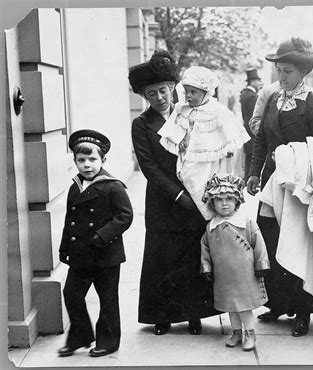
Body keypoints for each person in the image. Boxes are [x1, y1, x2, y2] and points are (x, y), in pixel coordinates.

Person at [246, 37, 313, 337]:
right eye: (278, 71)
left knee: (298, 249)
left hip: (300, 190)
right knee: (269, 242)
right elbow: (262, 139)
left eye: (287, 72)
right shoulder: (274, 99)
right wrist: (254, 173)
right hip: (273, 186)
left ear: (304, 71)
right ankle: (277, 302)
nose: (281, 77)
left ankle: (302, 311)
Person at [128, 50, 218, 336]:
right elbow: (149, 167)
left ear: (173, 89)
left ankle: (195, 315)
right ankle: (162, 317)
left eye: (163, 91)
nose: (159, 98)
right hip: (163, 200)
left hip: (195, 196)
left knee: (192, 257)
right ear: (144, 96)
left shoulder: (191, 115)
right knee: (162, 259)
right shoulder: (142, 125)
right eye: (151, 93)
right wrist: (178, 195)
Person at [58, 129, 133, 358]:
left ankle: (108, 341)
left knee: (107, 299)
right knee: (71, 293)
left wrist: (102, 235)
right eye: (81, 160)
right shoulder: (75, 187)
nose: (87, 165)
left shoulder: (113, 186)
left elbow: (125, 216)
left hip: (105, 254)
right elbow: (69, 221)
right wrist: (64, 248)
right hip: (80, 254)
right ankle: (80, 335)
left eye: (92, 159)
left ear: (103, 160)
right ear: (75, 162)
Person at [158, 65, 250, 221]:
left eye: (193, 92)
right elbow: (177, 130)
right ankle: (200, 214)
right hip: (189, 157)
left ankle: (210, 217)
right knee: (189, 178)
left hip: (211, 160)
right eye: (186, 91)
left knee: (208, 188)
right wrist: (179, 139)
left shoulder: (218, 111)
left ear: (206, 93)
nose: (188, 96)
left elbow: (232, 136)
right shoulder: (183, 109)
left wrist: (227, 148)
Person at [200, 173, 270, 351]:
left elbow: (258, 243)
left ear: (237, 200)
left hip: (244, 274)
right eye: (219, 200)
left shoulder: (245, 222)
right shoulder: (211, 226)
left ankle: (250, 333)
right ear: (212, 202)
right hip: (224, 276)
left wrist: (261, 264)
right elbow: (205, 248)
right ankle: (236, 332)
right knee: (231, 306)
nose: (224, 203)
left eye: (229, 199)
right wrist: (206, 267)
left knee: (244, 306)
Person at [239, 68, 262, 181]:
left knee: (249, 156)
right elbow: (255, 116)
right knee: (253, 155)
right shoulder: (252, 96)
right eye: (257, 81)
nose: (259, 84)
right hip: (252, 130)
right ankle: (250, 178)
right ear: (253, 81)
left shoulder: (244, 94)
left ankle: (247, 177)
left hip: (246, 128)